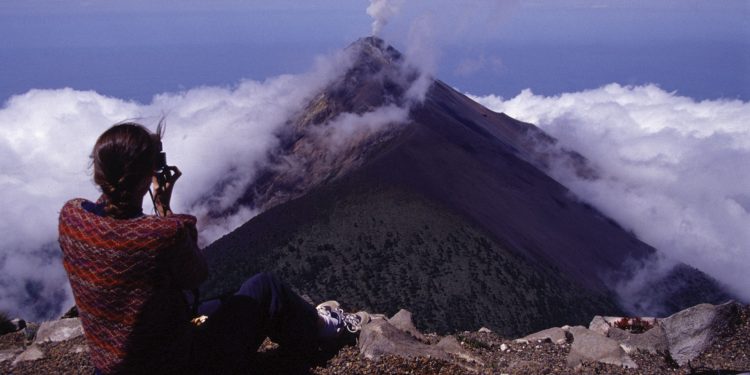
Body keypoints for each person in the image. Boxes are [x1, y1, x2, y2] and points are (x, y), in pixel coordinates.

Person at [58, 122, 369, 374]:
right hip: (179, 365)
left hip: (112, 366)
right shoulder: (163, 234)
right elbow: (195, 273)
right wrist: (165, 210)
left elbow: (115, 233)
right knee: (265, 287)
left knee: (223, 302)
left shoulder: (72, 217)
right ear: (144, 178)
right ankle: (327, 330)